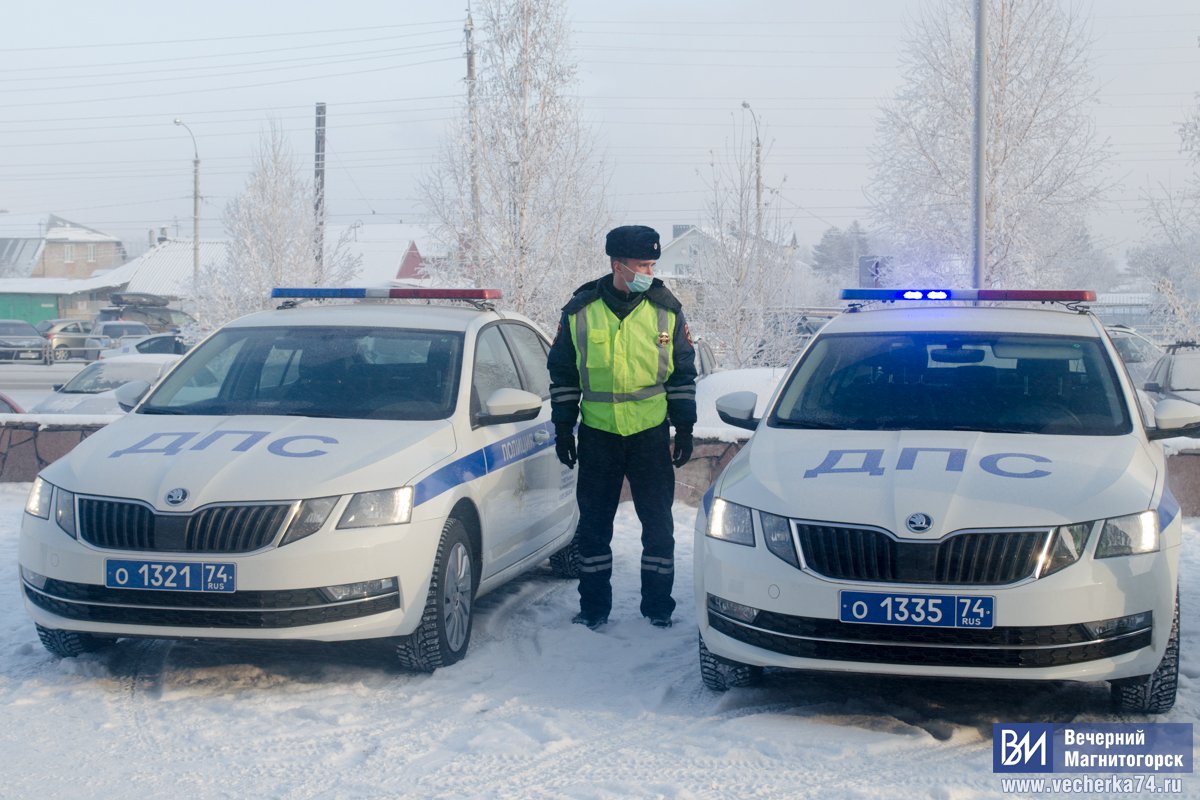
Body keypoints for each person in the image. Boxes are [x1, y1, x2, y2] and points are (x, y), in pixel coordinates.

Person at [547, 225, 698, 630]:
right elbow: (563, 373)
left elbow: (682, 374)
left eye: (652, 263)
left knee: (659, 527)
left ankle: (658, 608)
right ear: (618, 265)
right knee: (594, 529)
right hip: (599, 436)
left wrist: (684, 427)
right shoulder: (580, 310)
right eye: (642, 265)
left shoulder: (667, 310)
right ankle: (594, 609)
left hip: (649, 435)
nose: (649, 271)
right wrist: (563, 427)